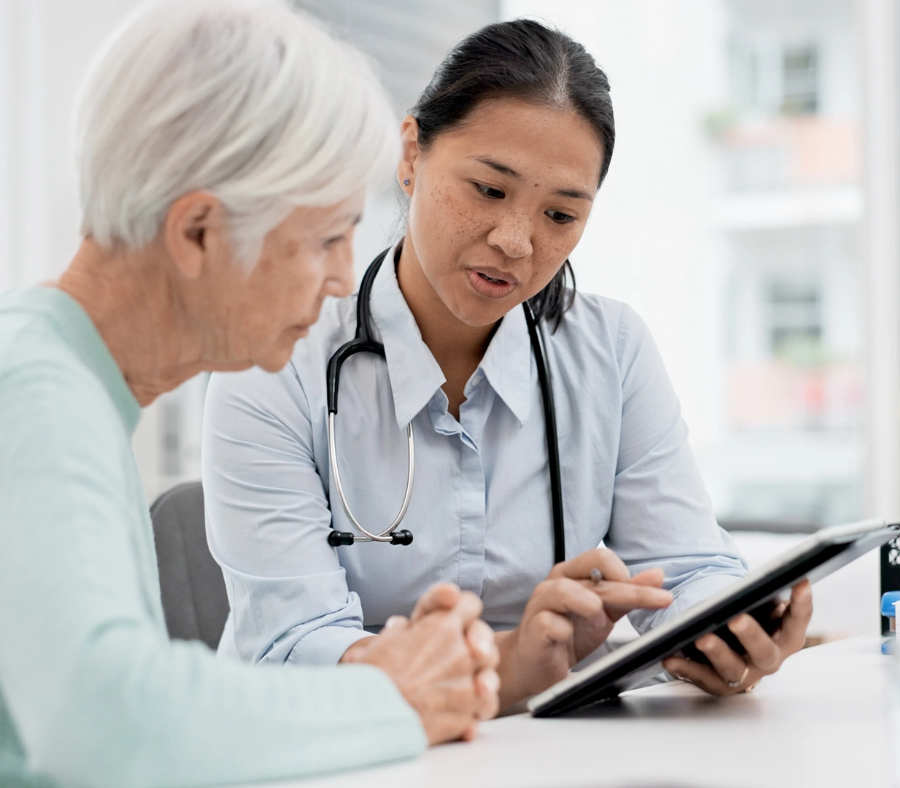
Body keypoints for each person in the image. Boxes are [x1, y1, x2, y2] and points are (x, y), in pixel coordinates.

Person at [203, 19, 813, 711]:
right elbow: (292, 649)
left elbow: (688, 568)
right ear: (411, 155)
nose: (516, 242)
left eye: (560, 215)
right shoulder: (276, 362)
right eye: (489, 191)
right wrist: (510, 664)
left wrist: (723, 627)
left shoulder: (610, 349)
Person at [0, 3, 501, 787]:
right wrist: (395, 696)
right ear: (198, 231)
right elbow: (105, 720)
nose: (345, 277)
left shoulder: (63, 386)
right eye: (325, 238)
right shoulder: (35, 396)